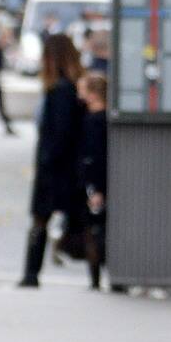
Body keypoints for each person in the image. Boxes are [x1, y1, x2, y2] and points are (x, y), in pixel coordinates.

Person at [19, 32, 86, 288]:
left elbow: (59, 132)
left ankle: (31, 273)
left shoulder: (60, 90)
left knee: (40, 219)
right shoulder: (71, 87)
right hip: (66, 166)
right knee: (68, 218)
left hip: (55, 167)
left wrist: (46, 160)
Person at [78, 70, 110, 290]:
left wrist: (96, 188)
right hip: (97, 181)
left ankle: (95, 278)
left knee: (94, 230)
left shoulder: (94, 121)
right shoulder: (103, 118)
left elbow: (95, 155)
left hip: (94, 183)